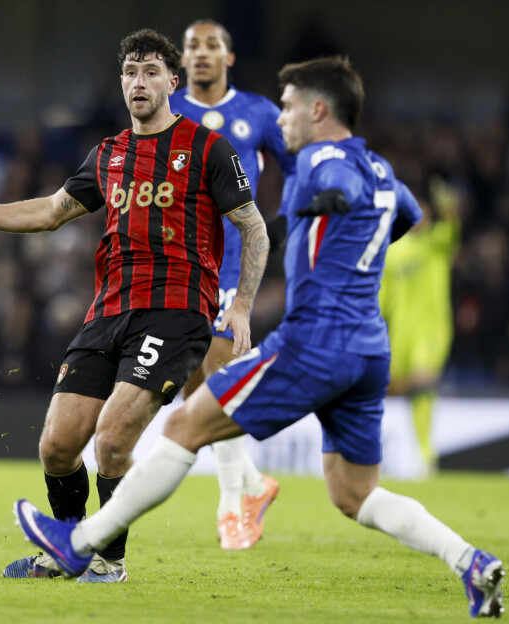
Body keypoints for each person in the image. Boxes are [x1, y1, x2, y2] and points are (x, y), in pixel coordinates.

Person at [13, 56, 506, 618]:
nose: (283, 116)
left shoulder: (325, 160)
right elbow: (408, 216)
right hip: (369, 347)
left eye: (291, 104)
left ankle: (77, 546)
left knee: (183, 425)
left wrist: (331, 202)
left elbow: (334, 180)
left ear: (319, 110)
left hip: (315, 342)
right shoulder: (382, 170)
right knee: (354, 495)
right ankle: (469, 561)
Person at [0, 29, 269, 583]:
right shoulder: (110, 154)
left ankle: (108, 560)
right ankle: (65, 551)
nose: (138, 82)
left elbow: (254, 228)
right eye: (129, 72)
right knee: (56, 447)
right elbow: (50, 212)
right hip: (109, 311)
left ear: (173, 81)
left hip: (176, 311)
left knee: (113, 440)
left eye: (149, 72)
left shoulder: (207, 148)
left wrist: (240, 306)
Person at [169, 19, 295, 550]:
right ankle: (254, 482)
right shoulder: (167, 108)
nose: (201, 54)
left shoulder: (260, 113)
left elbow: (299, 166)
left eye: (211, 45)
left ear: (229, 56)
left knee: (218, 367)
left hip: (231, 261)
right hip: (176, 260)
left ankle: (231, 509)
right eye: (192, 46)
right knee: (197, 385)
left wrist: (285, 221)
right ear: (182, 58)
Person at [380, 177, 461, 478]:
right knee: (394, 388)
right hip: (401, 334)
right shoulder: (391, 252)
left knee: (422, 383)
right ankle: (371, 451)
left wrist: (449, 205)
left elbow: (452, 229)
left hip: (432, 329)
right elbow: (381, 298)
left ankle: (427, 457)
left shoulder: (437, 244)